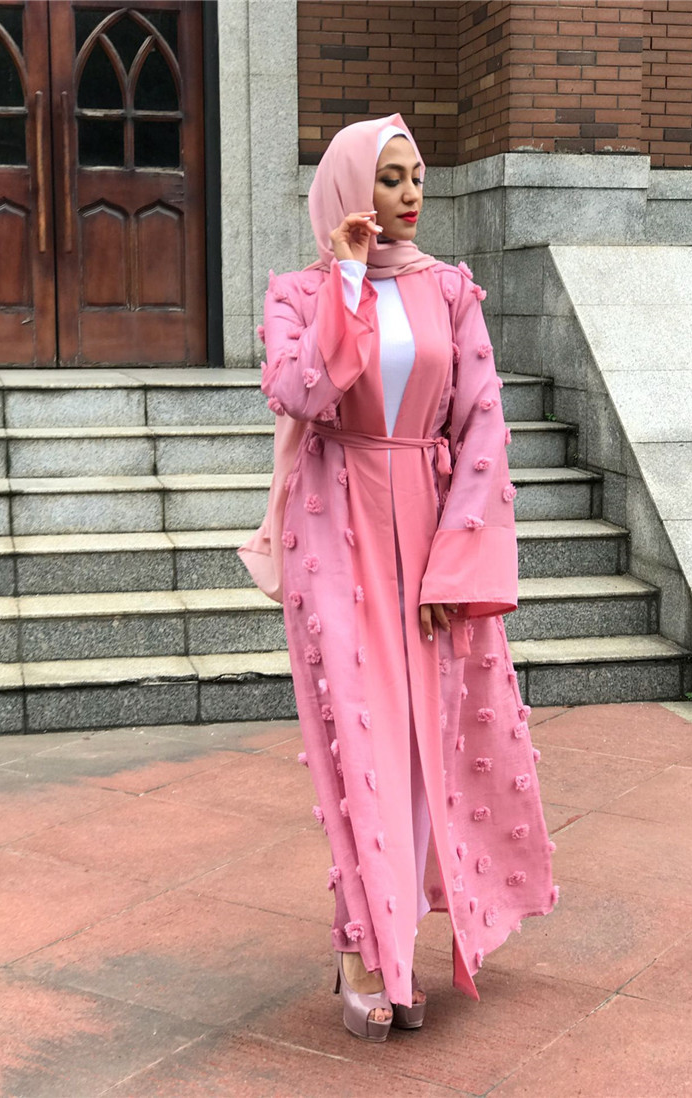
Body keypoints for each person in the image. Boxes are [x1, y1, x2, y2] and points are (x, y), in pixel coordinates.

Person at [239, 112, 557, 1043]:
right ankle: (364, 949)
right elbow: (301, 392)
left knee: (430, 744)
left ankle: (400, 940)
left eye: (416, 175)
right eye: (389, 178)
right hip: (332, 531)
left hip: (426, 527)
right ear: (349, 190)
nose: (411, 194)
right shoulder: (300, 293)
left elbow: (483, 426)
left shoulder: (451, 290)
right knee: (362, 741)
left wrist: (458, 562)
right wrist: (346, 278)